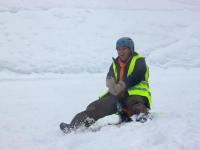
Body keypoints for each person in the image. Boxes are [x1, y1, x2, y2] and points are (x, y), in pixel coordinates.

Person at [60, 37, 152, 133]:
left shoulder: (139, 60)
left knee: (134, 103)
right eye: (118, 49)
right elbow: (110, 76)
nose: (121, 52)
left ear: (131, 49)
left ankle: (142, 116)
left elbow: (137, 75)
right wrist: (110, 82)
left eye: (124, 48)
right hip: (118, 95)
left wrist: (122, 85)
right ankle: (74, 126)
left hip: (135, 94)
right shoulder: (115, 64)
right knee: (96, 106)